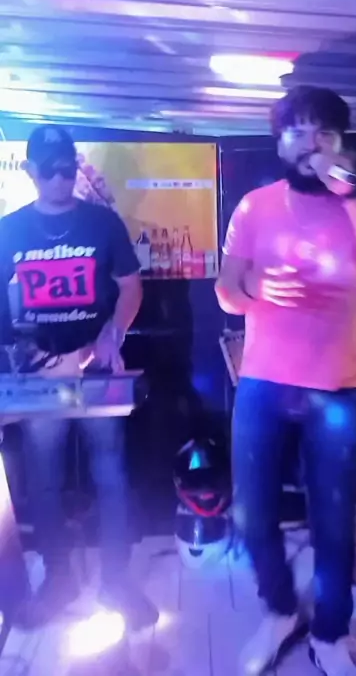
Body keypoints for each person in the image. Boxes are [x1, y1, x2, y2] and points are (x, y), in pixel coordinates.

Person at [215, 87, 356, 675]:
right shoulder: (254, 207)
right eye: (297, 131)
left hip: (338, 387)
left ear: (341, 142)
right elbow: (225, 291)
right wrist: (253, 290)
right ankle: (280, 611)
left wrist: (350, 194)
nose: (310, 144)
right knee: (252, 514)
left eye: (323, 132)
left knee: (333, 519)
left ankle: (330, 631)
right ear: (280, 143)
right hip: (263, 385)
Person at [0, 126, 158, 630]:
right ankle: (58, 578)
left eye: (67, 168)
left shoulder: (101, 222)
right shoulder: (9, 230)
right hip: (41, 374)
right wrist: (20, 351)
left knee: (111, 477)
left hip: (96, 369)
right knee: (44, 480)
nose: (59, 178)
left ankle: (116, 580)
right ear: (30, 171)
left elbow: (130, 287)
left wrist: (113, 333)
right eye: (49, 170)